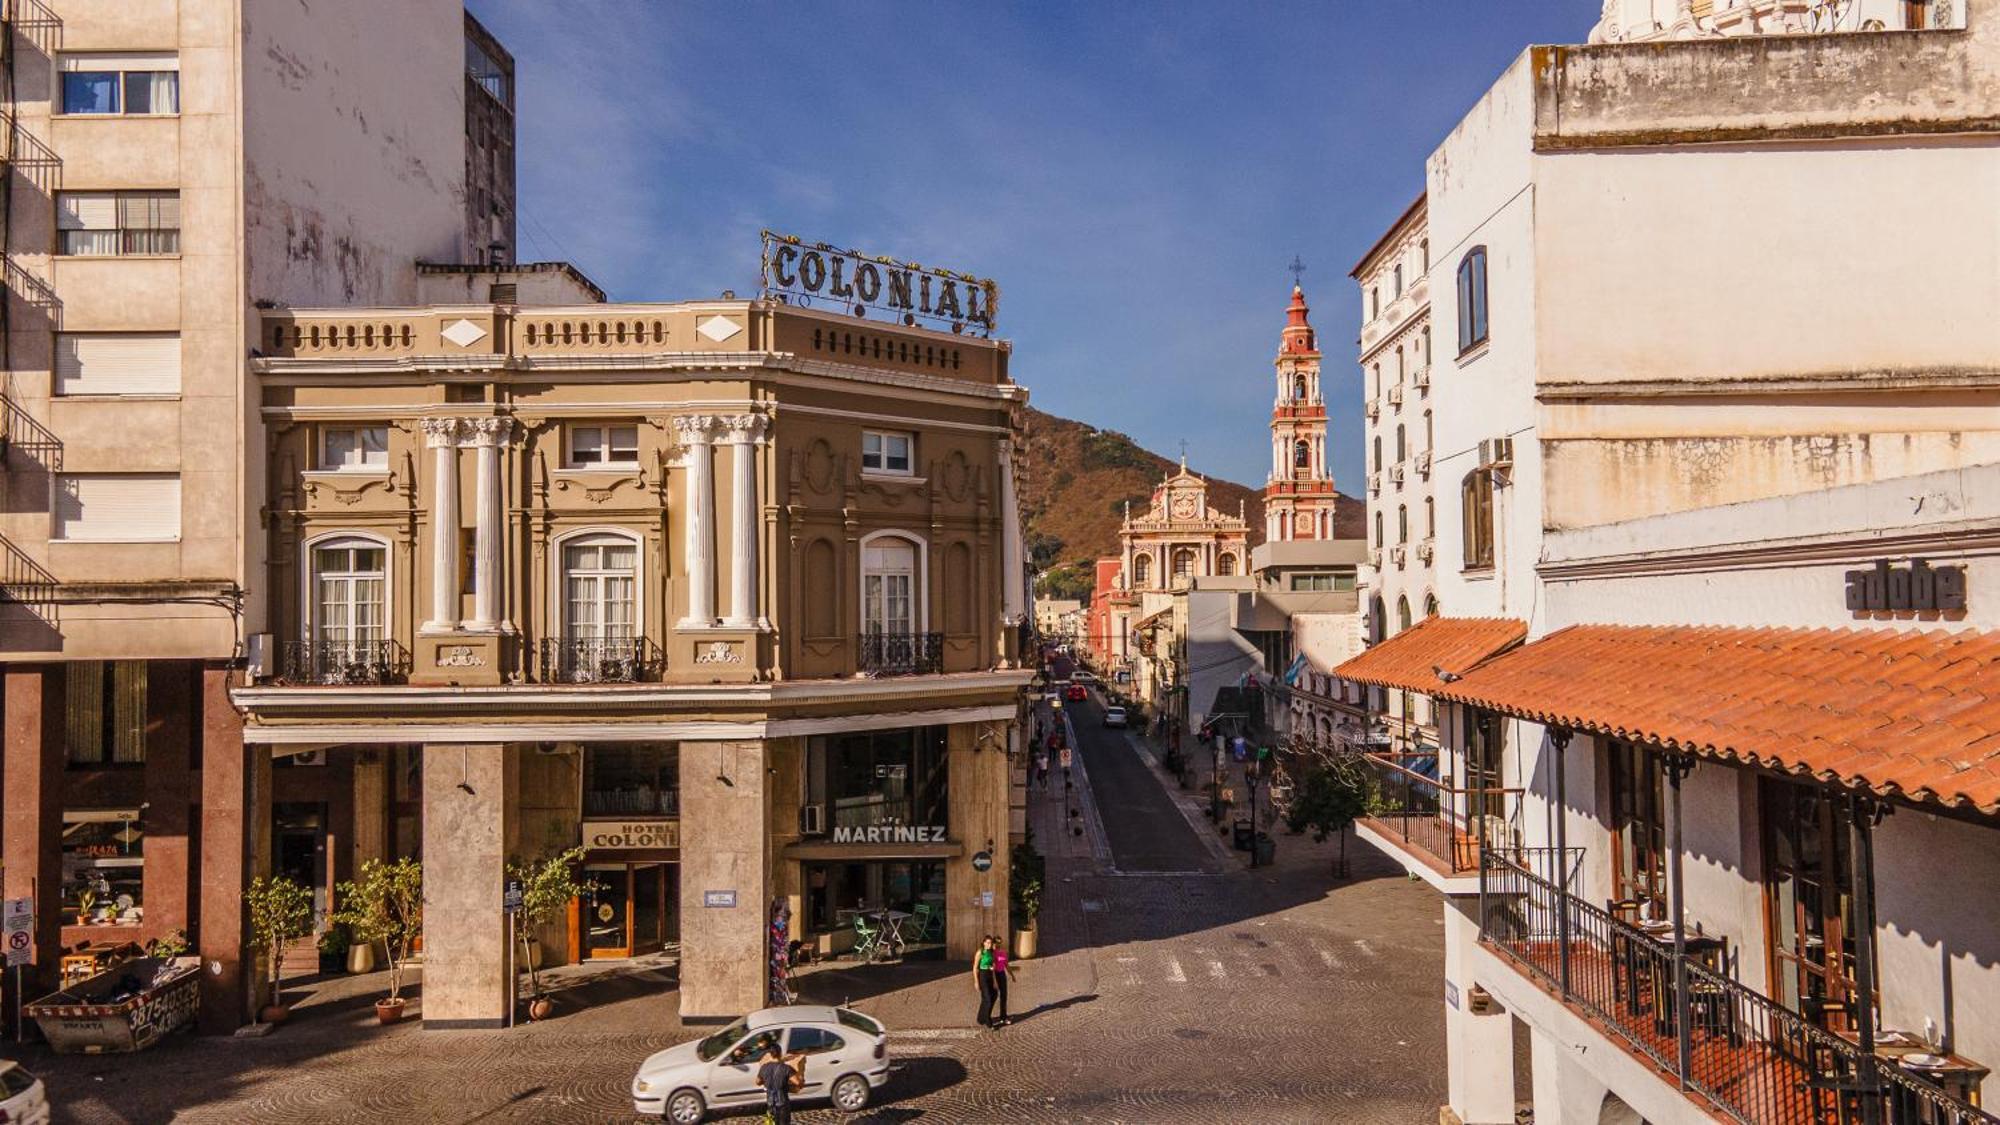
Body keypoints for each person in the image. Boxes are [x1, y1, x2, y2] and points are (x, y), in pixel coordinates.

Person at [757, 1040, 803, 1125]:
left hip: (770, 1103)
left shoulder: (764, 1067)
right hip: (783, 1104)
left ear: (770, 1054)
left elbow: (758, 1082)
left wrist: (767, 1079)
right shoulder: (786, 1068)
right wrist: (800, 1078)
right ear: (780, 1053)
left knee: (771, 1123)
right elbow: (797, 1083)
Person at [989, 933, 1017, 1027]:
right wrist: (994, 981)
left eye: (1000, 943)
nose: (998, 945)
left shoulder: (1003, 952)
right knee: (992, 997)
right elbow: (991, 967)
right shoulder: (992, 954)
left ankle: (1003, 1017)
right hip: (995, 974)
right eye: (996, 943)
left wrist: (1012, 975)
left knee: (1004, 996)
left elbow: (1006, 965)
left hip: (1002, 975)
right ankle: (987, 1017)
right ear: (993, 943)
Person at [973, 935, 1000, 1028]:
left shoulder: (991, 953)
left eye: (991, 943)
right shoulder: (980, 952)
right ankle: (988, 1021)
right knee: (987, 998)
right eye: (987, 943)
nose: (989, 945)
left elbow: (993, 967)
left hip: (990, 975)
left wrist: (995, 981)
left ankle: (981, 1018)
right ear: (984, 943)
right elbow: (975, 968)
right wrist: (976, 982)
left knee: (994, 995)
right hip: (983, 976)